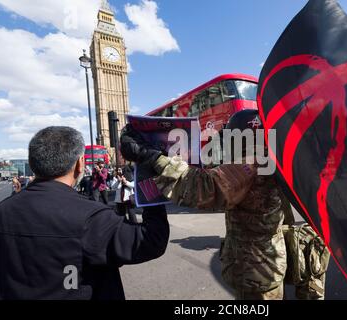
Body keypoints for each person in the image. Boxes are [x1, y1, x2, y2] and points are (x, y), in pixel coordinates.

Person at [120, 110, 329, 300]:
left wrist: (151, 156)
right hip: (266, 264)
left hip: (256, 272)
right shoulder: (271, 158)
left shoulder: (254, 162)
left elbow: (203, 187)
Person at [0, 126, 169, 300]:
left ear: (33, 164)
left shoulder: (2, 211)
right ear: (80, 164)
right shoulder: (92, 217)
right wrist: (148, 173)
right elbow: (151, 241)